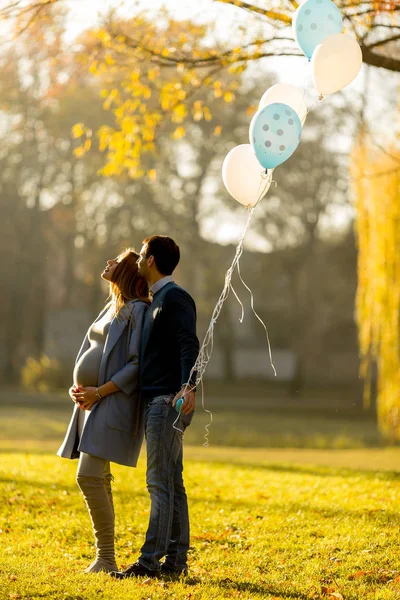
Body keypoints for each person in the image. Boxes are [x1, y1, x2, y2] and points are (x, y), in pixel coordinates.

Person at [111, 235, 199, 579]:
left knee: (158, 484)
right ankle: (176, 563)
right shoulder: (157, 299)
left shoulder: (175, 297)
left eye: (141, 254)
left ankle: (149, 562)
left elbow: (188, 342)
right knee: (172, 483)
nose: (137, 260)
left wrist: (188, 386)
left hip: (166, 403)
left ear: (151, 260)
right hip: (157, 402)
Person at [57, 248, 150, 573]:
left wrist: (100, 391)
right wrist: (79, 387)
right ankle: (105, 558)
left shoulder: (138, 310)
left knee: (88, 477)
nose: (108, 262)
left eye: (116, 261)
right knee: (97, 478)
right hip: (90, 402)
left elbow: (137, 365)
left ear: (125, 271)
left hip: (112, 401)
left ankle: (106, 558)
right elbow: (93, 349)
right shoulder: (111, 306)